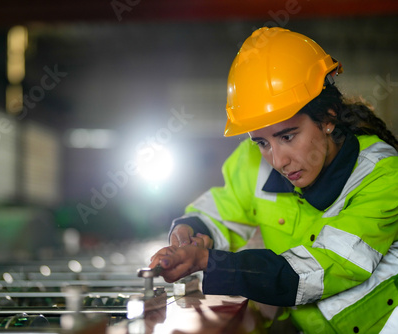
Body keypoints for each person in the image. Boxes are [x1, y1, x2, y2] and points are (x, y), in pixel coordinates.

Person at [149, 27, 398, 333]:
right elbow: (222, 213)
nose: (278, 160)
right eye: (262, 142)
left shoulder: (382, 175)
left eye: (288, 136)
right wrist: (189, 233)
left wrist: (208, 261)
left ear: (329, 118)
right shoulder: (253, 159)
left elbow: (316, 271)